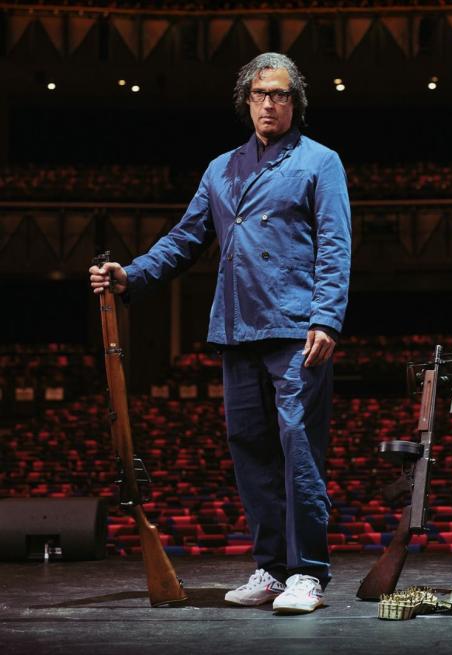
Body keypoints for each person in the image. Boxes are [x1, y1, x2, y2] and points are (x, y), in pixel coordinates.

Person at [89, 52, 351, 614]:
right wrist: (130, 274)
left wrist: (326, 317)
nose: (269, 103)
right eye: (260, 94)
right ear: (246, 101)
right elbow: (184, 240)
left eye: (280, 94)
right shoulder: (221, 169)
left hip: (295, 330)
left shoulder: (320, 162)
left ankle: (308, 573)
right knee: (250, 453)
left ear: (295, 102)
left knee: (299, 450)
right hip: (236, 330)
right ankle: (272, 569)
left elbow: (335, 246)